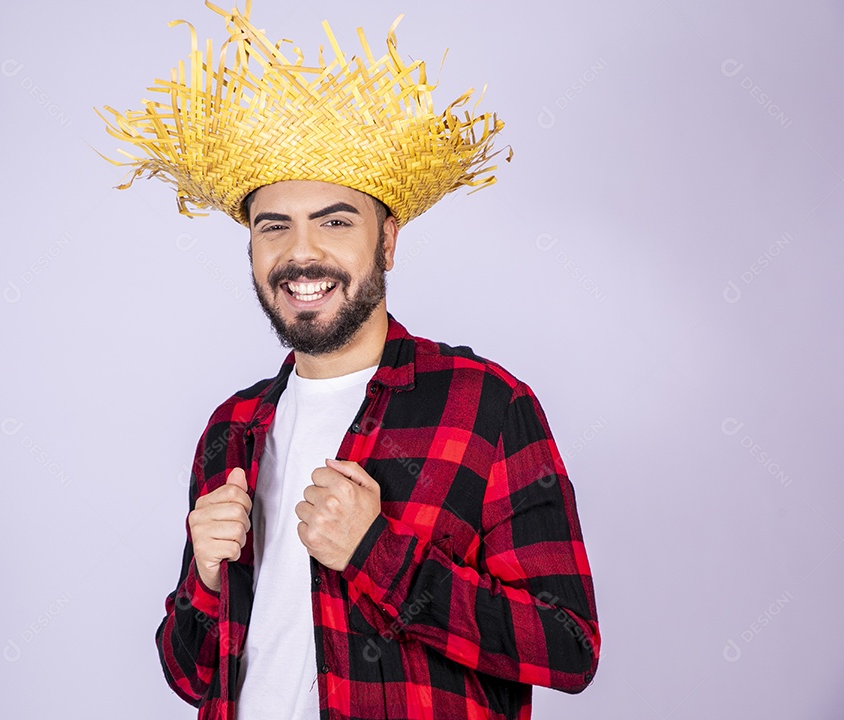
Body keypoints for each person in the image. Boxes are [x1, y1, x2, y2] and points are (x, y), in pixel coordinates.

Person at [96, 5, 600, 719]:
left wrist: (377, 552)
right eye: (276, 228)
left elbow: (569, 646)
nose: (302, 255)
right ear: (253, 251)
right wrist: (206, 579)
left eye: (335, 222)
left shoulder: (487, 406)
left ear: (387, 242)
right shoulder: (230, 429)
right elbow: (188, 676)